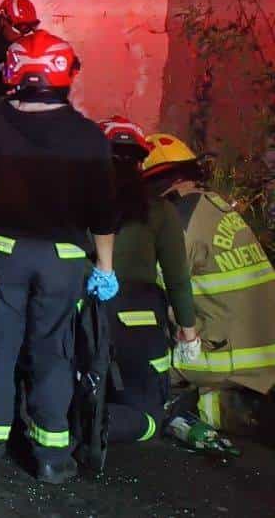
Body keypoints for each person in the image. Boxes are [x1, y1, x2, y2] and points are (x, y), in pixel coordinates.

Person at [0, 29, 117, 482]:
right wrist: (105, 268)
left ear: (12, 71)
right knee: (55, 353)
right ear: (66, 73)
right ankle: (50, 457)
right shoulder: (88, 136)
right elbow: (104, 215)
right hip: (63, 261)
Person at [142, 133, 275, 437]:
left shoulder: (179, 220)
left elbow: (151, 292)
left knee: (139, 362)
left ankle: (218, 405)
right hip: (262, 351)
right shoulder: (217, 207)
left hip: (228, 357)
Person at [99, 117, 199, 446]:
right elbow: (177, 279)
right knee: (149, 418)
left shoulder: (80, 206)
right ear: (142, 162)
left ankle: (77, 420)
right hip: (140, 327)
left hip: (87, 319)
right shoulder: (160, 212)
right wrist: (188, 332)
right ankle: (106, 423)